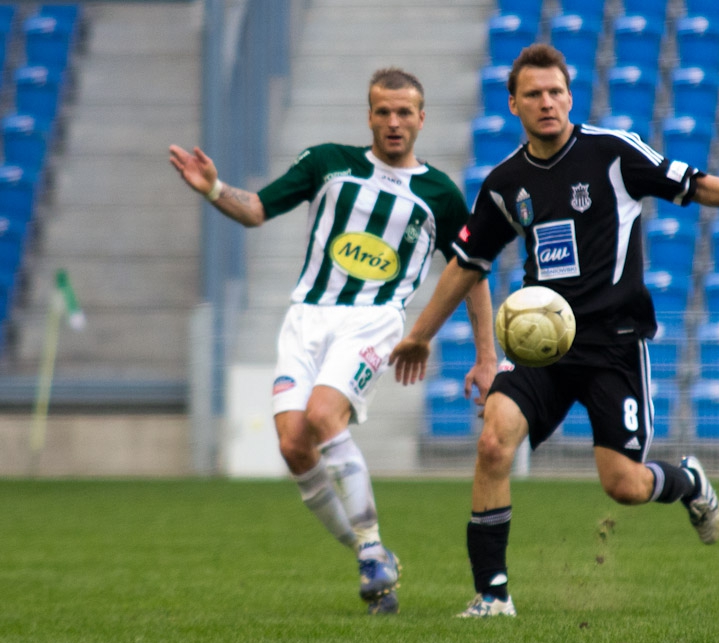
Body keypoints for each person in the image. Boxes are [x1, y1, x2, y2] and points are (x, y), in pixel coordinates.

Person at [390, 44, 719, 618]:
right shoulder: (506, 182)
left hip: (614, 343)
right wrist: (421, 333)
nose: (546, 102)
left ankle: (688, 482)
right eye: (533, 94)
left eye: (556, 92)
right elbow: (466, 263)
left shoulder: (611, 152)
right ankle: (492, 594)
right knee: (492, 441)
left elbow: (691, 183)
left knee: (624, 485)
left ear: (570, 96)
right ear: (513, 104)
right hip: (541, 344)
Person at [169, 68, 497, 614]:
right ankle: (371, 553)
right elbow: (256, 209)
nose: (393, 123)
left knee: (324, 417)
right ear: (368, 116)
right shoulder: (327, 162)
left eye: (404, 112)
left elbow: (473, 271)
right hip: (307, 317)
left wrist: (486, 355)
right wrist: (213, 189)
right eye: (383, 112)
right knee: (294, 444)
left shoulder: (439, 193)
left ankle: (370, 549)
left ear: (422, 117)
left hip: (374, 321)